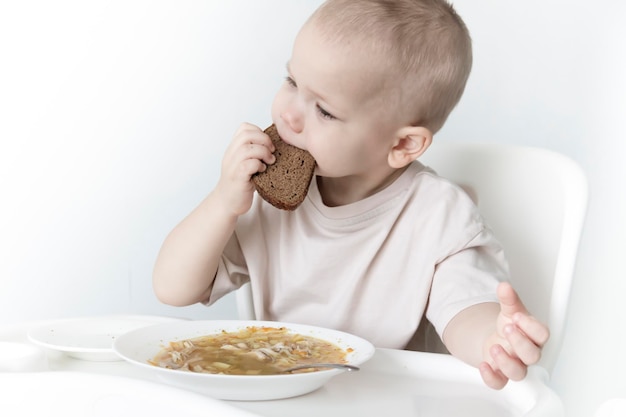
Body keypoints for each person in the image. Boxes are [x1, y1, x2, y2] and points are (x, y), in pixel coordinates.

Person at [152, 0, 549, 390]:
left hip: (385, 400)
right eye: (292, 82)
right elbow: (173, 288)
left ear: (404, 144)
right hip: (281, 394)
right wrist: (222, 203)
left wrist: (494, 340)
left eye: (324, 110)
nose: (289, 114)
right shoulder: (267, 195)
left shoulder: (438, 217)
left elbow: (465, 310)